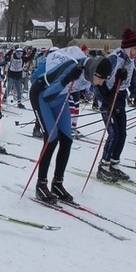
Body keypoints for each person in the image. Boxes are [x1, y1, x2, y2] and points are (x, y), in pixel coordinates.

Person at [30, 46, 112, 203]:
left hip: (60, 98)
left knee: (67, 140)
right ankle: (41, 184)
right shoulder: (72, 68)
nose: (101, 83)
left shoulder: (91, 72)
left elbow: (105, 96)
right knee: (51, 140)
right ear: (94, 72)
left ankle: (57, 183)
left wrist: (116, 86)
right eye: (101, 79)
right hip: (41, 95)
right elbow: (47, 95)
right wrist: (67, 79)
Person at [93, 28, 136, 183]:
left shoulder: (131, 62)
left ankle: (114, 164)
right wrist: (105, 100)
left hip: (120, 98)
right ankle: (103, 166)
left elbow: (133, 81)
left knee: (122, 134)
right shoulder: (114, 59)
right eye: (134, 48)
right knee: (113, 133)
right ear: (127, 47)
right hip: (107, 98)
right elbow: (98, 82)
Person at [29, 46, 60, 138]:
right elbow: (36, 76)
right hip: (41, 89)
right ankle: (37, 129)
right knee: (41, 110)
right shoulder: (45, 62)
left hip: (52, 89)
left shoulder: (58, 64)